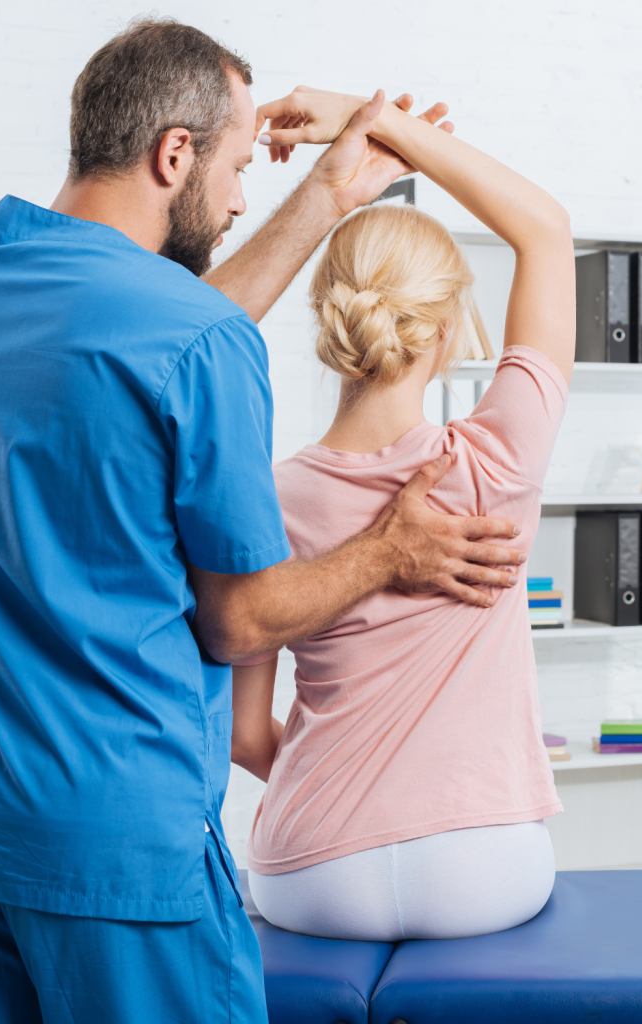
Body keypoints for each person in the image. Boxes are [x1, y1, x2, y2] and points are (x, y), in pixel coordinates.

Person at [0, 19, 527, 1024]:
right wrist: (390, 549)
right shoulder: (193, 341)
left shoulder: (4, 283)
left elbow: (143, 340)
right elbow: (238, 621)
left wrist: (322, 198)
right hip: (124, 849)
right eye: (236, 166)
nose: (239, 197)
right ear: (172, 153)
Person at [231, 85, 576, 941]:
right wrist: (375, 117)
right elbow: (545, 229)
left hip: (309, 870)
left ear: (327, 316)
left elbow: (244, 736)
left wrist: (345, 805)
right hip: (483, 866)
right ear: (451, 324)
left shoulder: (260, 493)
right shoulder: (496, 461)